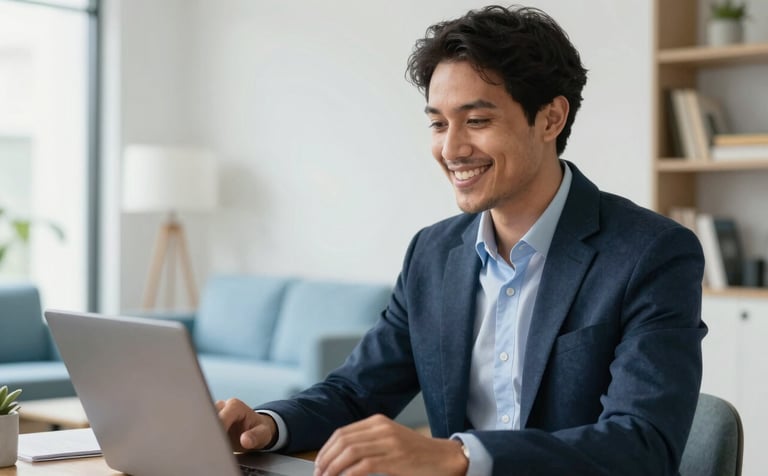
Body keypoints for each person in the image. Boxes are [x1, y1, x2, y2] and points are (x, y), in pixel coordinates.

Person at [217, 5, 706, 476]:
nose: (450, 149)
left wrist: (460, 457)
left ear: (551, 119)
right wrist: (268, 424)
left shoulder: (651, 253)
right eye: (437, 123)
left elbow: (643, 445)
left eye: (477, 121)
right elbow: (356, 391)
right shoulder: (431, 254)